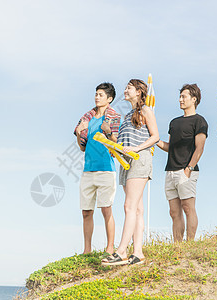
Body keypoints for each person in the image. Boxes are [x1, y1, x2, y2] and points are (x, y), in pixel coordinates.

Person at [102, 79, 159, 266]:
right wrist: (110, 139)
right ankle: (138, 253)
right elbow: (122, 144)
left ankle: (121, 251)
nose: (125, 90)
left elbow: (155, 137)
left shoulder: (146, 111)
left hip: (139, 160)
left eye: (129, 88)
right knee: (138, 209)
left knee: (129, 206)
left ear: (139, 92)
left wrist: (137, 148)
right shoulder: (127, 116)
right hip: (125, 163)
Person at [156, 84, 208, 242]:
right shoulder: (174, 122)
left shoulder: (200, 121)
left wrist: (189, 169)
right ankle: (178, 246)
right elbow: (169, 147)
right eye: (180, 96)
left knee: (188, 207)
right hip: (170, 171)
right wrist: (155, 141)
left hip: (187, 171)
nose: (180, 99)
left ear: (194, 99)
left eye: (184, 96)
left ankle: (189, 243)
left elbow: (200, 148)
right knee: (173, 211)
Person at [74, 82, 121, 255]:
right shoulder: (86, 118)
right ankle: (87, 249)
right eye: (96, 94)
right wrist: (80, 133)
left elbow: (116, 145)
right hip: (88, 170)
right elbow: (82, 147)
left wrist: (108, 132)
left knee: (106, 209)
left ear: (109, 99)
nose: (96, 97)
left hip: (106, 169)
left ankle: (110, 247)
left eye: (100, 95)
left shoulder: (114, 117)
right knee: (86, 212)